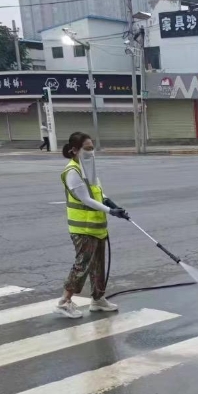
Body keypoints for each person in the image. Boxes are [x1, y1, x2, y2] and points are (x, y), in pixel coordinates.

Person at [55, 132, 128, 318]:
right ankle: (64, 301)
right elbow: (86, 199)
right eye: (87, 148)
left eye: (92, 147)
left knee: (98, 265)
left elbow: (98, 194)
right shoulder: (72, 171)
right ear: (74, 150)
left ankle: (98, 299)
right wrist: (110, 211)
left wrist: (112, 205)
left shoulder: (89, 169)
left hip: (97, 227)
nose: (91, 151)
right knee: (82, 265)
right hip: (82, 228)